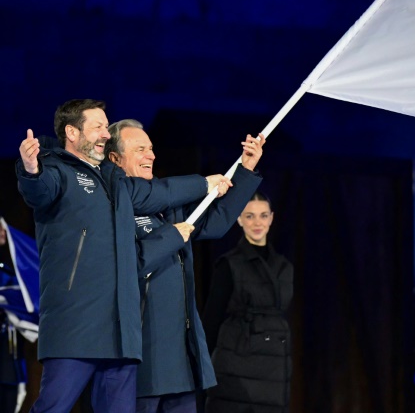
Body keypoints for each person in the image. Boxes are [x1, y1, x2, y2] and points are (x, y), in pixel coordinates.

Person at [15, 99, 230, 413]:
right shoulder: (56, 170)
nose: (106, 133)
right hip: (76, 328)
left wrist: (205, 183)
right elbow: (38, 190)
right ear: (72, 132)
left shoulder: (116, 181)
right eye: (98, 126)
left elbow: (161, 192)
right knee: (53, 408)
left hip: (121, 332)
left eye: (106, 125)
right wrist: (30, 170)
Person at [104, 118, 266, 412]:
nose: (151, 155)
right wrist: (170, 237)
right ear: (114, 158)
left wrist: (246, 169)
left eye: (151, 149)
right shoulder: (109, 205)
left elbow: (215, 223)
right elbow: (123, 267)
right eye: (140, 149)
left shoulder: (169, 204)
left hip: (180, 357)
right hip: (138, 358)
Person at [202, 192, 293, 413]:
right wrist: (201, 367)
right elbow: (212, 319)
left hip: (273, 365)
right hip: (237, 358)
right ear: (239, 219)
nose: (257, 223)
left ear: (271, 218)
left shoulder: (284, 267)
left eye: (263, 216)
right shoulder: (229, 264)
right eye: (249, 216)